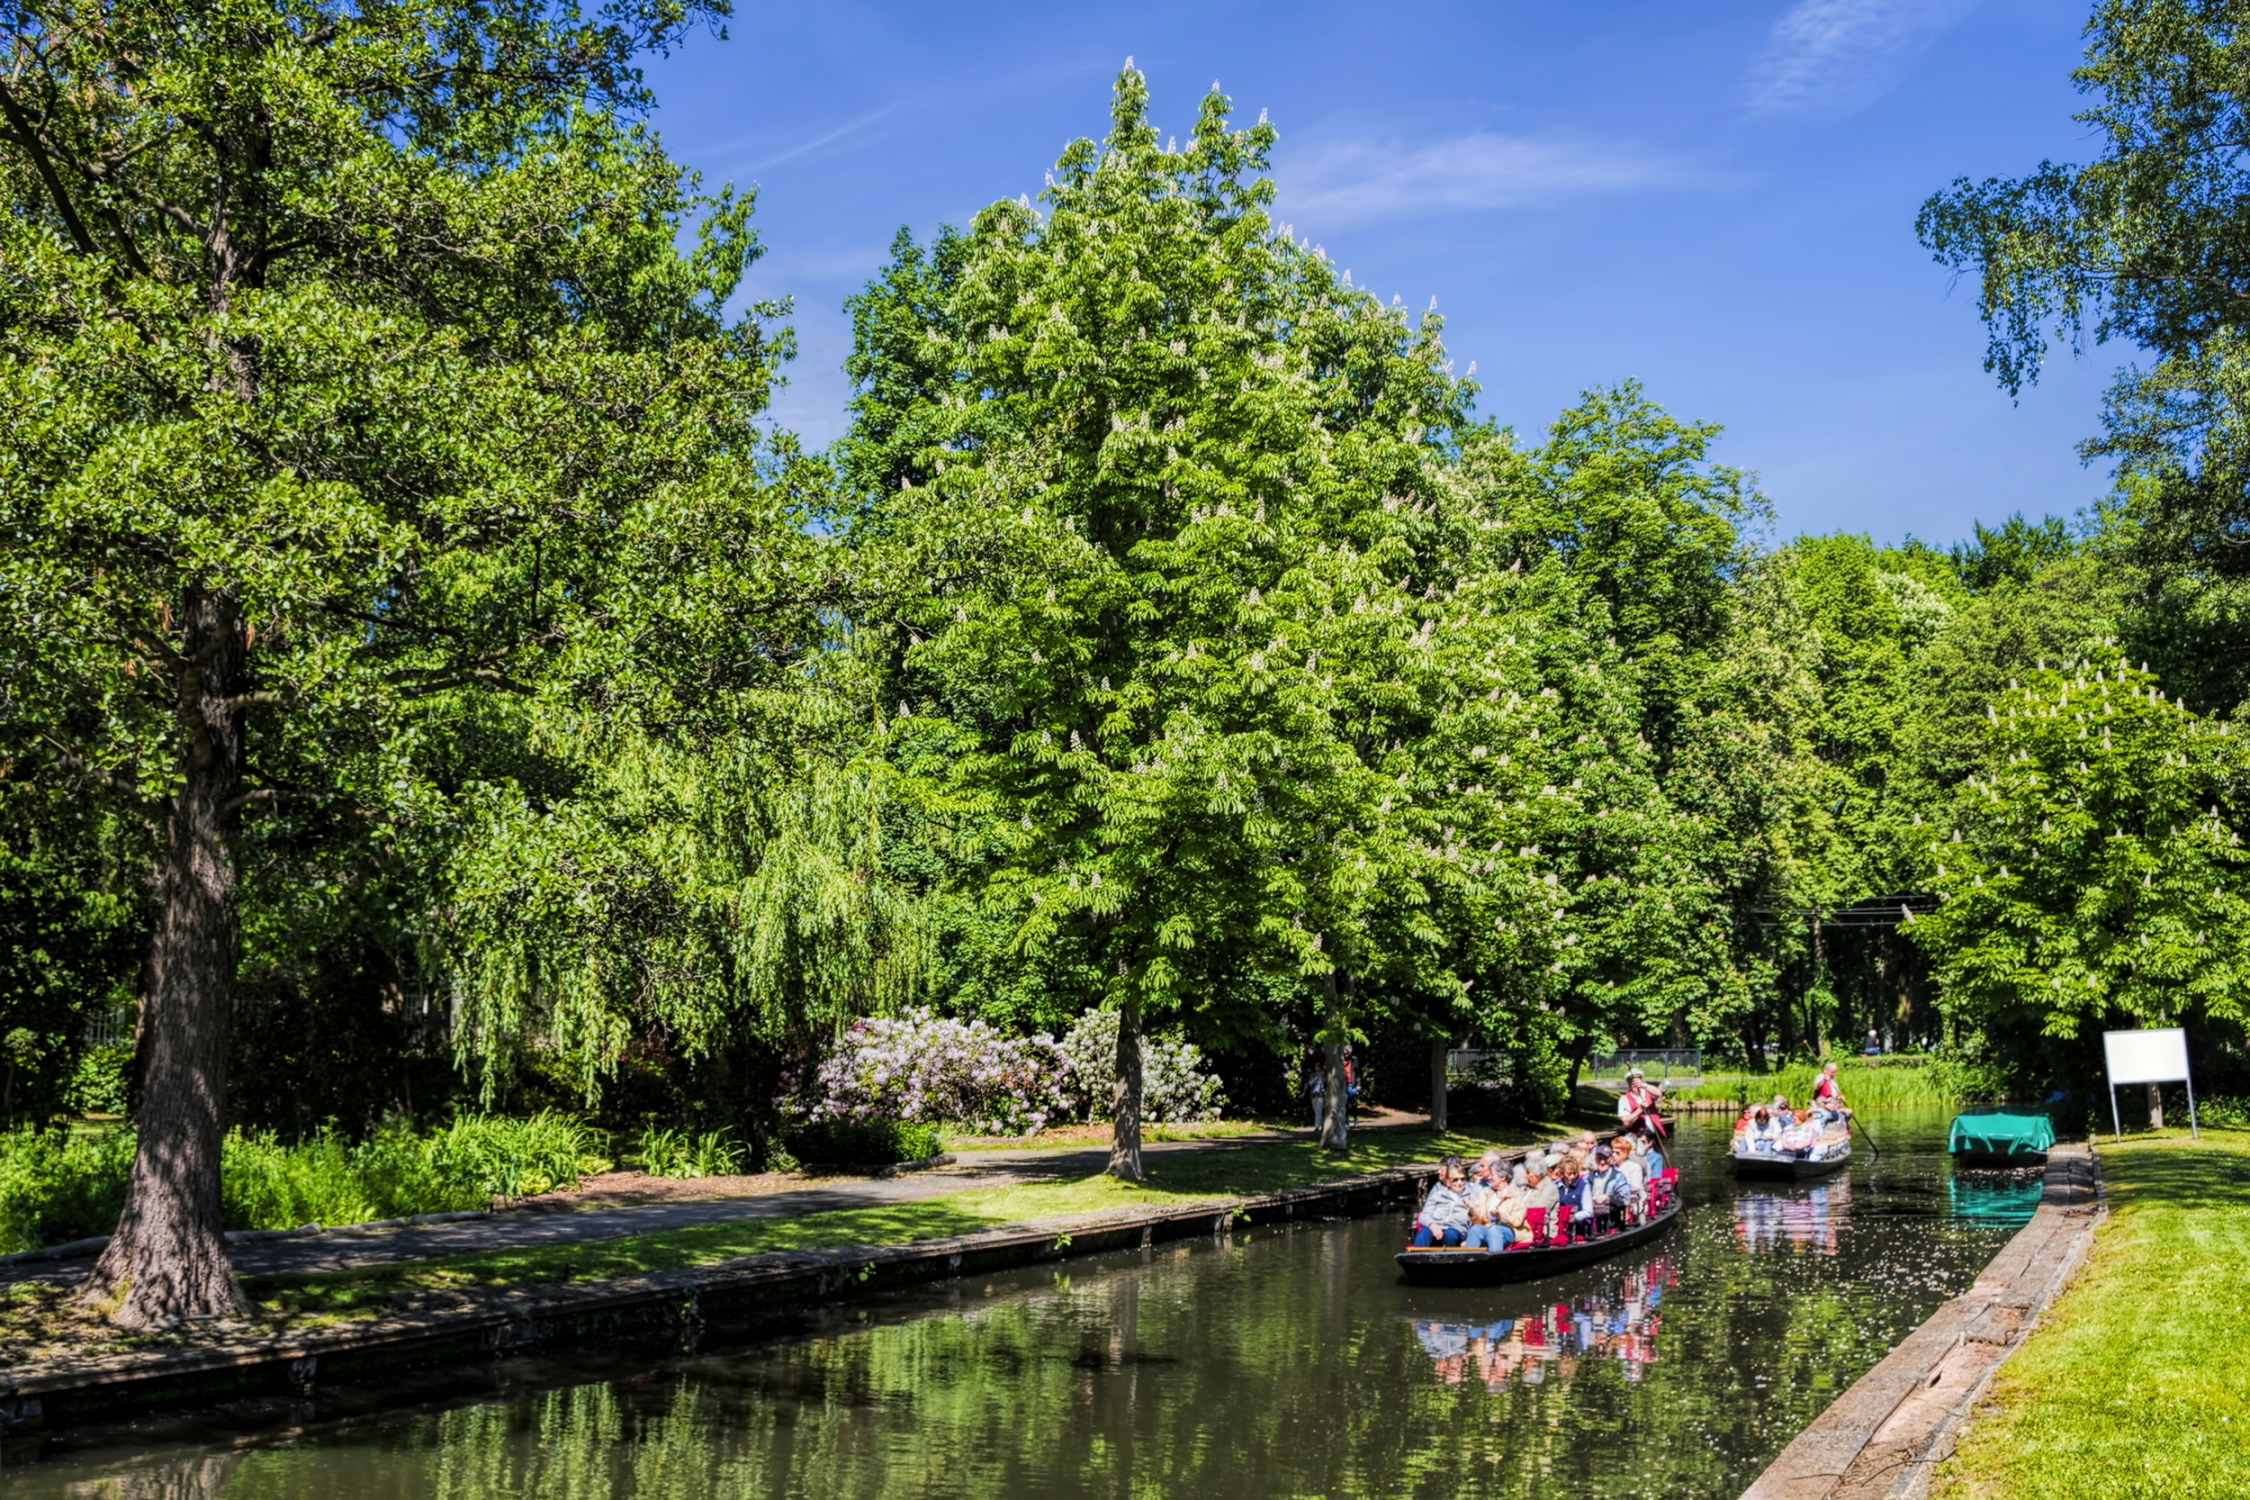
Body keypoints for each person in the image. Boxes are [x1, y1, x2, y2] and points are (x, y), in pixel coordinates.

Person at [1413, 1156, 1473, 1247]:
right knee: (1425, 1232)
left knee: (1450, 1234)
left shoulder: (1470, 1192)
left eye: (1442, 1169)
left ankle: (1448, 1259)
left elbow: (1476, 1219)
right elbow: (1425, 1214)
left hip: (1456, 1229)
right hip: (1436, 1226)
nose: (1438, 1172)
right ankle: (1416, 1257)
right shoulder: (1438, 1190)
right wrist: (1432, 1225)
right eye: (1455, 1180)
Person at [1617, 1067, 1667, 1138]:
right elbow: (1625, 1121)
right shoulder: (1624, 1099)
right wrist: (1640, 1109)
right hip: (1638, 1135)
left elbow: (1658, 1093)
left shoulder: (1648, 1092)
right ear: (1628, 1084)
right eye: (1633, 1084)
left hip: (1656, 1133)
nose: (1636, 1086)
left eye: (1638, 1082)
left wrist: (1644, 1085)